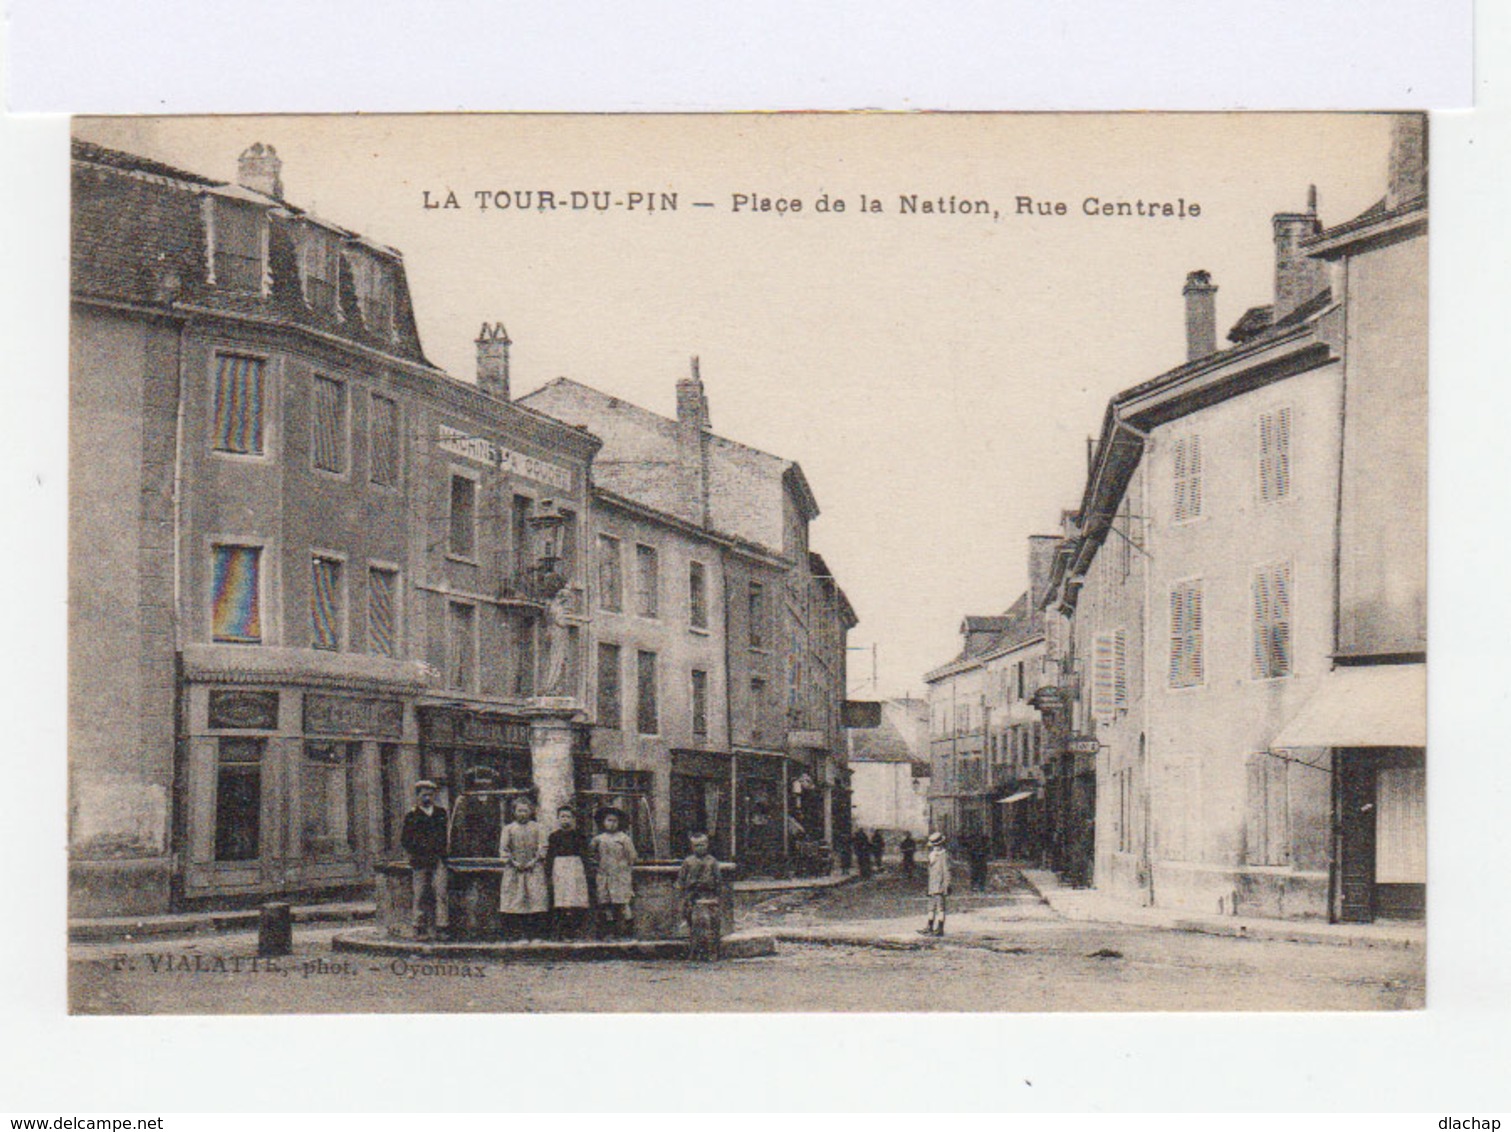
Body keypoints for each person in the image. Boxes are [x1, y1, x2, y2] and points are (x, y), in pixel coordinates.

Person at [399, 780, 450, 941]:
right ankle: (419, 927)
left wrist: (442, 853)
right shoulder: (412, 815)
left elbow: (445, 836)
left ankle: (442, 927)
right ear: (418, 795)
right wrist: (417, 852)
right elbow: (405, 839)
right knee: (420, 894)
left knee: (441, 893)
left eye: (430, 794)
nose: (427, 797)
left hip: (438, 859)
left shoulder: (441, 813)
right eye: (424, 794)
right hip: (420, 861)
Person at [499, 795, 550, 939]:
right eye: (519, 811)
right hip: (514, 869)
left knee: (536, 899)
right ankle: (518, 935)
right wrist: (513, 863)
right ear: (514, 812)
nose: (522, 814)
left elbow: (543, 847)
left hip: (534, 868)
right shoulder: (508, 829)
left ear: (531, 812)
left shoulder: (538, 828)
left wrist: (533, 862)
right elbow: (503, 849)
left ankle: (536, 935)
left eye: (525, 811)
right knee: (516, 900)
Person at [545, 805, 592, 940]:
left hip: (575, 869)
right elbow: (550, 854)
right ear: (558, 819)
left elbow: (585, 855)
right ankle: (562, 932)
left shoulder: (579, 836)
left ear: (574, 819)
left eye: (568, 817)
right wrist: (548, 871)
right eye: (562, 816)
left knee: (575, 899)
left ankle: (574, 931)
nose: (565, 820)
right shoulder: (554, 836)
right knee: (561, 900)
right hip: (559, 869)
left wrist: (587, 870)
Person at [591, 806, 638, 939]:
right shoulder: (598, 839)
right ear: (603, 822)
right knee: (606, 903)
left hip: (620, 875)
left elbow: (632, 856)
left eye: (615, 821)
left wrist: (625, 868)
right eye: (609, 820)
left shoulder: (624, 839)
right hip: (604, 874)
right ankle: (608, 932)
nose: (612, 824)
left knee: (623, 903)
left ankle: (628, 932)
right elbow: (591, 854)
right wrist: (597, 864)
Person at [677, 833, 724, 960]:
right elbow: (681, 880)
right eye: (696, 846)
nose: (700, 848)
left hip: (708, 895)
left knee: (711, 925)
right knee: (694, 926)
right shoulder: (688, 862)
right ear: (692, 847)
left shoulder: (712, 861)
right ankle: (694, 953)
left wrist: (718, 897)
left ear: (707, 845)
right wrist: (684, 897)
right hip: (693, 897)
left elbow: (718, 880)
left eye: (702, 845)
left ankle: (712, 952)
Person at [920, 831, 951, 937]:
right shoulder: (932, 854)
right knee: (930, 907)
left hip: (940, 885)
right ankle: (929, 926)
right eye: (934, 846)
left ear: (941, 845)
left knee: (940, 908)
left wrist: (947, 884)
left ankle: (940, 928)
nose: (935, 848)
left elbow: (946, 871)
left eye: (937, 845)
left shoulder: (944, 855)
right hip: (932, 884)